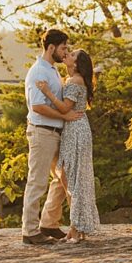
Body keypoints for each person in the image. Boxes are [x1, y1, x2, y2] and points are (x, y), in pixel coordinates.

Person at [21, 29, 84, 245]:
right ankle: (29, 231)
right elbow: (38, 106)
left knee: (62, 179)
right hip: (42, 132)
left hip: (56, 132)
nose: (66, 51)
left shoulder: (52, 70)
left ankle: (48, 222)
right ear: (51, 48)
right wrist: (64, 115)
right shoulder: (39, 71)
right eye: (63, 48)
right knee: (37, 181)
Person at [36, 48, 100, 242]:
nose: (68, 55)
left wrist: (47, 91)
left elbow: (64, 107)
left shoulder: (75, 81)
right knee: (70, 177)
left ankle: (76, 227)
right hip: (75, 128)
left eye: (72, 55)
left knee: (71, 178)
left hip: (75, 130)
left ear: (77, 64)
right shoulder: (72, 79)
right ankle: (75, 228)